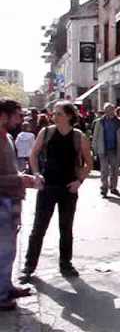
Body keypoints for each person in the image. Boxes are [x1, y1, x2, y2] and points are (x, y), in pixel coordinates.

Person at [23, 101, 93, 278]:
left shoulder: (78, 136)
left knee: (66, 228)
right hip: (47, 187)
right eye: (54, 113)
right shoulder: (46, 132)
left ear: (69, 116)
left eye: (59, 113)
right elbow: (33, 154)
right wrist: (37, 174)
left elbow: (89, 163)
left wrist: (79, 181)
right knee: (39, 227)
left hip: (68, 188)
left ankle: (66, 264)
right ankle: (29, 266)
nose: (55, 116)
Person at [0, 98, 38, 311]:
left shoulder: (7, 138)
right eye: (17, 115)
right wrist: (19, 180)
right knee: (3, 251)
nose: (20, 119)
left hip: (11, 200)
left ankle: (6, 286)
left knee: (9, 250)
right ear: (3, 115)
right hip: (2, 202)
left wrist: (22, 178)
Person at [92, 102, 120, 197]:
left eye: (111, 110)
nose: (109, 112)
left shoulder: (119, 123)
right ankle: (104, 188)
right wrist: (94, 149)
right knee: (104, 170)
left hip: (115, 149)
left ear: (114, 110)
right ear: (105, 111)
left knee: (114, 170)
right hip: (103, 149)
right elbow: (95, 136)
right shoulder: (100, 122)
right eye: (107, 110)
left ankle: (113, 187)